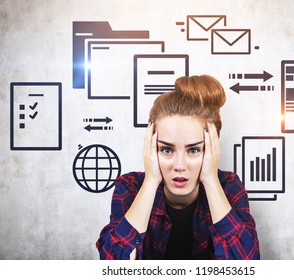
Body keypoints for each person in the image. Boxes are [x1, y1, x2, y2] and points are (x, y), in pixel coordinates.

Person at [96, 75, 260, 260]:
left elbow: (247, 266)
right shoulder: (130, 187)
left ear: (212, 149)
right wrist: (150, 182)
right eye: (166, 149)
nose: (179, 166)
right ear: (151, 147)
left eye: (194, 150)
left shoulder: (228, 187)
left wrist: (211, 180)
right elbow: (112, 265)